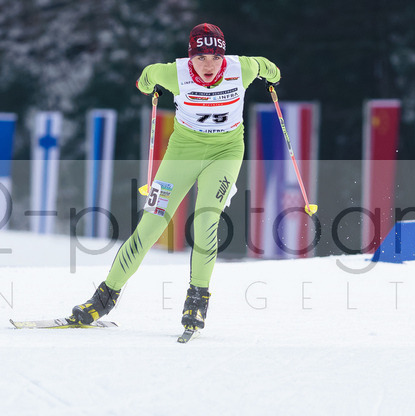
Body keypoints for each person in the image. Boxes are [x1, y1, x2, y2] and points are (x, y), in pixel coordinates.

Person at [70, 23, 281, 333]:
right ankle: (103, 299)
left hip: (225, 154)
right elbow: (146, 77)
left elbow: (271, 69)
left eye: (215, 57)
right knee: (151, 225)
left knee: (206, 221)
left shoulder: (242, 68)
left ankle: (197, 301)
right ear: (190, 57)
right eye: (200, 58)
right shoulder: (174, 74)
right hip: (182, 154)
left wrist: (269, 75)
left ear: (224, 56)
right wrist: (147, 85)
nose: (208, 65)